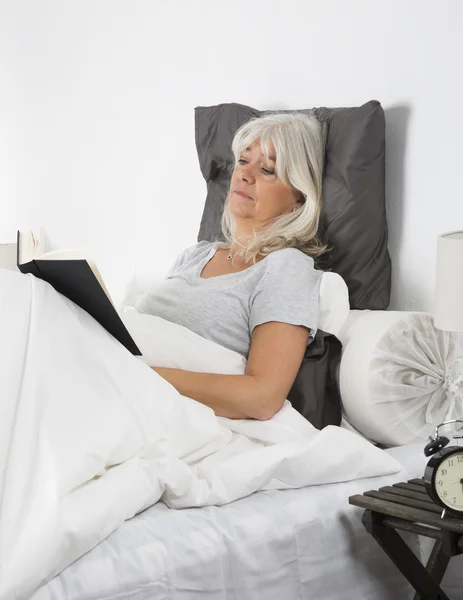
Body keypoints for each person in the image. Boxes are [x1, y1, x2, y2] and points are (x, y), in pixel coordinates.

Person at [135, 112, 327, 421]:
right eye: (242, 161)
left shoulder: (285, 268)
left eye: (267, 169)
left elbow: (262, 397)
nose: (245, 175)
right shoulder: (195, 255)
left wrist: (136, 376)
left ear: (299, 199)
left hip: (146, 400)